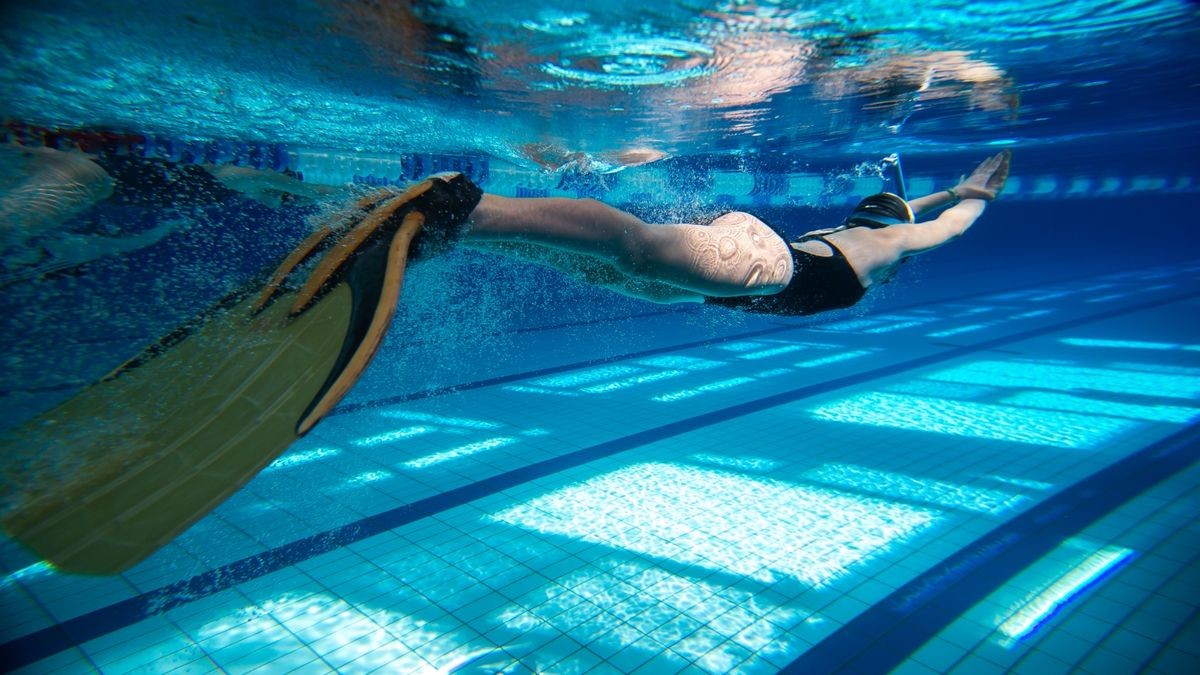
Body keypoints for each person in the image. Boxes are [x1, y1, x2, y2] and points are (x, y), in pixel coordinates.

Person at [456, 149, 1011, 313]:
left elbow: (903, 210)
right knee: (637, 250)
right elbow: (949, 229)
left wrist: (953, 191)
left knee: (594, 267)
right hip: (765, 269)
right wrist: (979, 196)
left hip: (733, 277)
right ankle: (465, 208)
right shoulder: (892, 244)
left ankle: (458, 232)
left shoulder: (860, 232)